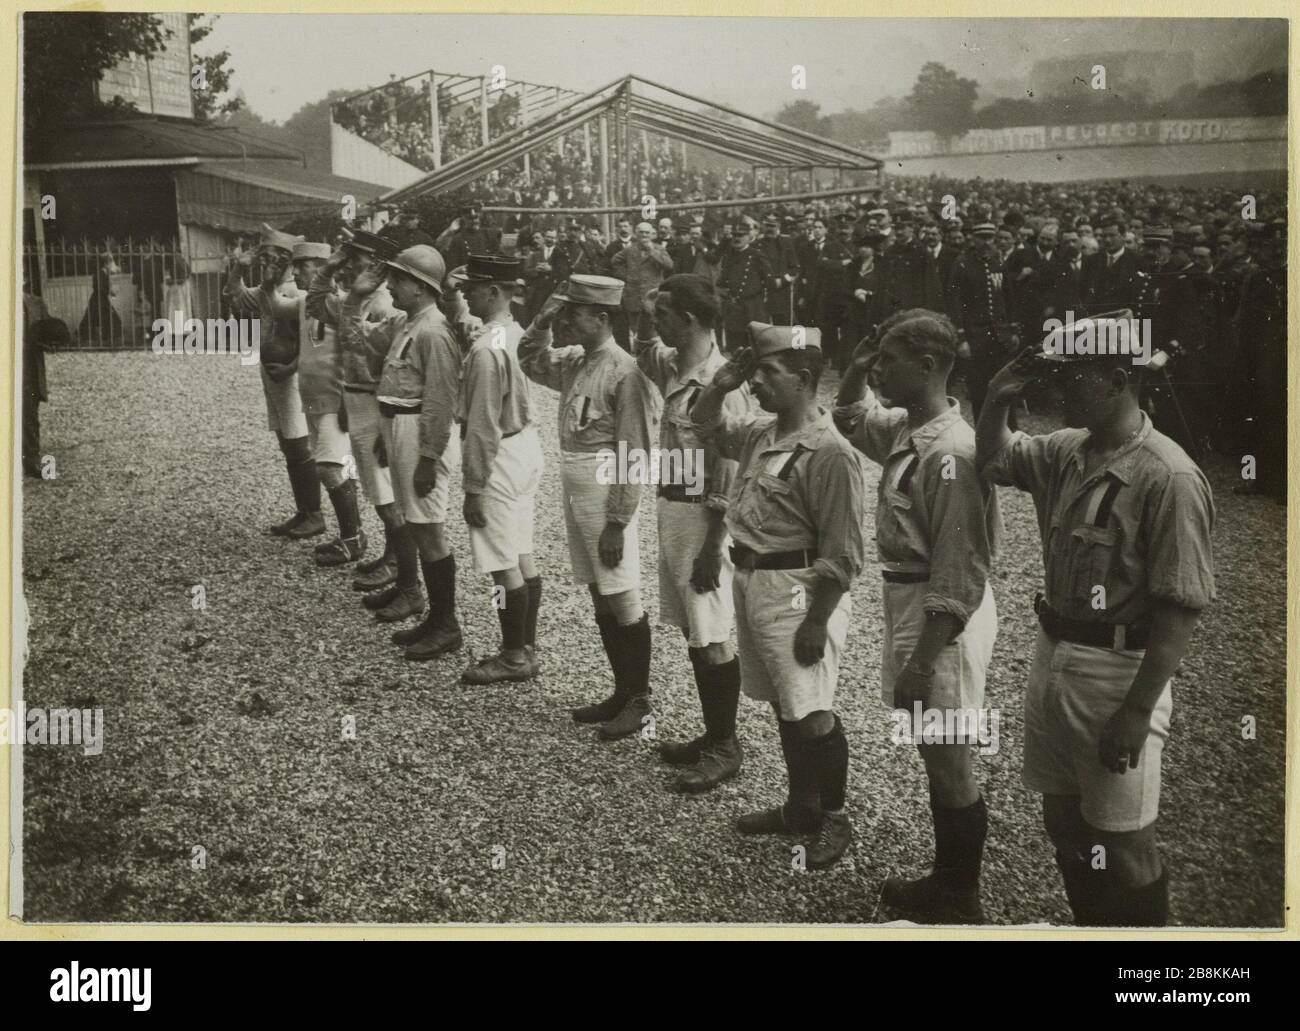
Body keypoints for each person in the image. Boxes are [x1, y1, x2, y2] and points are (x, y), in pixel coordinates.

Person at [975, 317, 1216, 926]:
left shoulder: (1170, 475)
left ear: (1116, 379)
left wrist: (1137, 710)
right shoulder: (1066, 449)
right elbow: (995, 458)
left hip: (1116, 669)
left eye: (1071, 378)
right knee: (1064, 821)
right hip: (1054, 650)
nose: (1056, 393)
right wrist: (998, 396)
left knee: (1126, 841)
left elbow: (1180, 607)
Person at [834, 310, 1001, 923]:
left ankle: (959, 898)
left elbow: (960, 571)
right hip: (912, 600)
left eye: (889, 361)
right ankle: (947, 883)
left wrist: (924, 661)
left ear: (928, 367)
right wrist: (856, 371)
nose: (878, 369)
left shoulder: (951, 449)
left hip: (941, 614)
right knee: (934, 746)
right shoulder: (912, 427)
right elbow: (849, 419)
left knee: (951, 755)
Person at [691, 323, 866, 869]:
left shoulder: (830, 451)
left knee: (812, 712)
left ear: (806, 378)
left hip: (797, 591)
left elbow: (844, 552)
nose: (759, 381)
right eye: (757, 370)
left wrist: (818, 621)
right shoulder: (762, 431)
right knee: (786, 708)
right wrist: (720, 385)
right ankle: (801, 807)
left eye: (770, 372)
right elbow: (704, 427)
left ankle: (835, 820)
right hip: (752, 580)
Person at [519, 275, 662, 740]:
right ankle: (621, 691)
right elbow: (530, 360)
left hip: (605, 487)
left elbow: (633, 452)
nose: (566, 321)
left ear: (602, 317)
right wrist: (540, 320)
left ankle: (639, 699)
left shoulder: (627, 370)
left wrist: (619, 521)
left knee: (621, 591)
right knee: (598, 590)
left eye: (574, 313)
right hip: (576, 480)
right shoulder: (576, 359)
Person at [634, 275, 749, 792]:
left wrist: (713, 543)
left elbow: (732, 466)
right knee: (694, 631)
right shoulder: (676, 364)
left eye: (664, 314)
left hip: (704, 518)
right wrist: (643, 310)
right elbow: (642, 350)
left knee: (713, 632)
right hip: (673, 508)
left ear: (691, 320)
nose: (656, 322)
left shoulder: (724, 381)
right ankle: (712, 734)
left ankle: (726, 747)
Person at [348, 245, 465, 659]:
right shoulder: (407, 322)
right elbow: (356, 340)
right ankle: (431, 615)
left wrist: (430, 458)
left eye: (399, 279)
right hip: (400, 427)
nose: (392, 284)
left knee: (429, 529)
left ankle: (446, 624)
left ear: (420, 287)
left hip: (420, 432)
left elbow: (440, 399)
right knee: (416, 523)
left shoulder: (433, 331)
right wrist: (354, 297)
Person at [451, 254, 545, 683]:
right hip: (524, 446)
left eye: (473, 287)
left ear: (493, 292)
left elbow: (483, 424)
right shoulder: (513, 332)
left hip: (499, 454)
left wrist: (473, 485)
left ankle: (512, 655)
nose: (465, 293)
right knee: (521, 552)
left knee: (499, 562)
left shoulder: (488, 349)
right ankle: (525, 645)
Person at [314, 229, 407, 595]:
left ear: (380, 265)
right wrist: (330, 267)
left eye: (358, 258)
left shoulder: (386, 305)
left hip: (376, 400)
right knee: (376, 488)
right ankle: (391, 555)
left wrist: (388, 423)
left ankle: (400, 564)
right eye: (349, 258)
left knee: (387, 493)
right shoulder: (359, 296)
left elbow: (395, 372)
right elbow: (317, 304)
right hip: (355, 396)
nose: (351, 265)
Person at [224, 224, 325, 539]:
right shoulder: (266, 290)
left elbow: (317, 342)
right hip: (274, 378)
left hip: (293, 379)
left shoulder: (299, 293)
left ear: (286, 260)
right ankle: (304, 509)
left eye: (273, 257)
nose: (266, 262)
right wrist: (237, 270)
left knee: (299, 446)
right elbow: (236, 300)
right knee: (287, 445)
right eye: (263, 256)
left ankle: (316, 514)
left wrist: (292, 367)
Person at [292, 241, 365, 567]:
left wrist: (350, 398)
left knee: (329, 468)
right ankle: (351, 535)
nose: (295, 271)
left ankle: (353, 538)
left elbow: (355, 352)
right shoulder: (307, 304)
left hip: (335, 400)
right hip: (312, 399)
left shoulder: (344, 304)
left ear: (326, 266)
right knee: (331, 467)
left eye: (302, 265)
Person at [946, 222, 1016, 421]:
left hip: (999, 337)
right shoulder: (962, 265)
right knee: (979, 389)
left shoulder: (998, 263)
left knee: (1004, 385)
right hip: (975, 337)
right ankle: (984, 433)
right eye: (982, 238)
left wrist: (1012, 330)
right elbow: (955, 303)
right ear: (973, 239)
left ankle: (1010, 430)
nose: (986, 243)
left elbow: (1008, 298)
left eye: (990, 238)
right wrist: (961, 338)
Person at [611, 221, 674, 351]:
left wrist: (652, 251)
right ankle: (640, 357)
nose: (644, 235)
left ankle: (653, 356)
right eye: (641, 232)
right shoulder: (630, 250)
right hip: (633, 297)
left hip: (653, 297)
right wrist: (626, 276)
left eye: (647, 232)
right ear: (636, 233)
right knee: (637, 332)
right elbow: (615, 261)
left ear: (652, 234)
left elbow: (669, 265)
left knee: (654, 331)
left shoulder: (659, 249)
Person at [718, 216, 772, 354]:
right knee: (735, 349)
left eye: (741, 235)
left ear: (749, 237)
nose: (737, 239)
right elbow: (722, 282)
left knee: (754, 348)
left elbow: (770, 282)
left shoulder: (757, 256)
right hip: (734, 309)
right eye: (735, 235)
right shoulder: (728, 257)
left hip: (752, 309)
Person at [758, 213, 800, 326]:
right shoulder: (756, 245)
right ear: (763, 226)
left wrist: (782, 280)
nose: (770, 229)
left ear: (778, 227)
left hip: (781, 291)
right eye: (767, 226)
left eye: (773, 226)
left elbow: (794, 269)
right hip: (762, 291)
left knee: (783, 326)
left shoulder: (786, 243)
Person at [79, 252, 125, 347]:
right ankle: (99, 342)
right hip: (98, 301)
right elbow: (99, 288)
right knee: (98, 321)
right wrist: (109, 291)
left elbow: (104, 288)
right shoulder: (98, 274)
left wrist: (111, 292)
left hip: (102, 300)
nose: (112, 264)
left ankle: (104, 342)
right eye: (110, 262)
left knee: (103, 321)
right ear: (106, 263)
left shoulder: (104, 274)